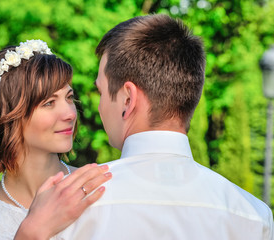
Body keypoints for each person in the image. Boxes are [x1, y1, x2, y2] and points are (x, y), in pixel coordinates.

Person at [52, 14, 274, 239]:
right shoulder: (253, 215)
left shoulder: (71, 205)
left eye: (101, 92)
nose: (99, 106)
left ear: (128, 99)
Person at [0, 39, 112, 240]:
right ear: (9, 116)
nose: (70, 113)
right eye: (49, 103)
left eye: (69, 98)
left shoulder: (101, 185)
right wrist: (32, 232)